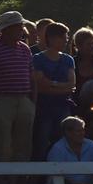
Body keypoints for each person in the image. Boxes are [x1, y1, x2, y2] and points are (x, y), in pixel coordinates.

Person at [31, 22, 76, 159]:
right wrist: (61, 86)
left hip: (63, 106)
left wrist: (52, 84)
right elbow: (39, 84)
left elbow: (72, 84)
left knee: (63, 141)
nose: (66, 40)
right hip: (43, 107)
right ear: (51, 38)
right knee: (42, 141)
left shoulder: (68, 59)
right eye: (63, 37)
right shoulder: (38, 59)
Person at [45, 115, 93, 184]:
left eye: (83, 130)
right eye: (78, 131)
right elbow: (55, 174)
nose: (82, 133)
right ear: (67, 133)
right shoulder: (57, 149)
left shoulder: (92, 145)